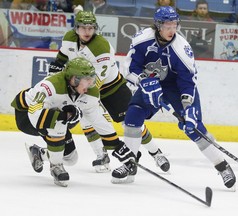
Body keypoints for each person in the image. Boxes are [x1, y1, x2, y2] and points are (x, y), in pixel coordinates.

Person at [111, 6, 236, 189]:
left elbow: (188, 81)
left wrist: (188, 107)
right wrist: (143, 81)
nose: (172, 29)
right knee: (133, 115)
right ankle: (130, 163)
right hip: (151, 83)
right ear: (158, 26)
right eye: (168, 25)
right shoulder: (141, 39)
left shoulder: (182, 48)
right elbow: (130, 66)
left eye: (174, 25)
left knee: (194, 128)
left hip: (176, 89)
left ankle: (222, 166)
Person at [48, 11, 170, 172]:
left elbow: (95, 82)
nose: (87, 32)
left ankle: (156, 153)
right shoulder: (69, 38)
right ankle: (101, 155)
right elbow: (62, 58)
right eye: (83, 28)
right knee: (87, 120)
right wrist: (55, 72)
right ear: (76, 29)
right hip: (83, 85)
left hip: (112, 88)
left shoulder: (101, 48)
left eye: (91, 28)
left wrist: (80, 98)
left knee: (131, 123)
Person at [11, 57, 119, 186]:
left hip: (52, 116)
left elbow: (98, 119)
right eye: (87, 80)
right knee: (59, 122)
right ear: (74, 79)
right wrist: (62, 117)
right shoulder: (50, 85)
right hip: (27, 116)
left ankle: (39, 154)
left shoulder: (85, 90)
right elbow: (35, 112)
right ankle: (55, 167)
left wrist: (116, 144)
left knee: (71, 158)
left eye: (91, 79)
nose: (90, 84)